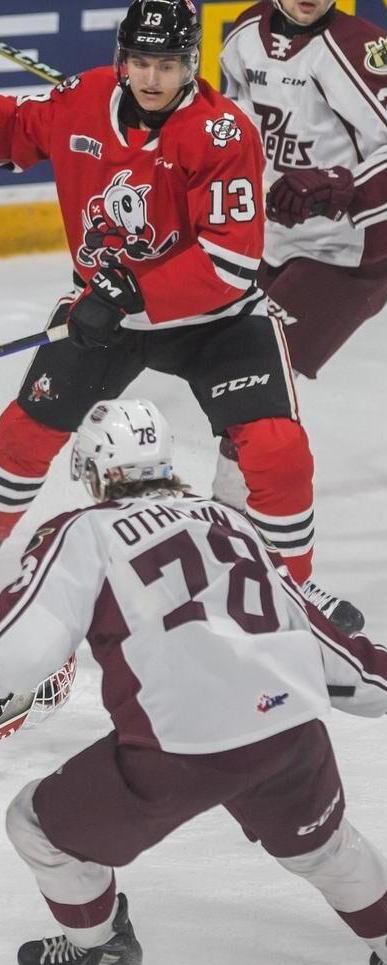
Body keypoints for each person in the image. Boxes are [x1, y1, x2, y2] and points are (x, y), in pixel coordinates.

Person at [0, 397, 387, 965]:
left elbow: (24, 644)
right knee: (327, 850)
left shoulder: (86, 532)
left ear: (90, 470)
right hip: (289, 733)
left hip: (177, 747)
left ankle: (99, 943)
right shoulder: (233, 522)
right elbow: (329, 653)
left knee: (35, 823)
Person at [0, 0, 331, 622]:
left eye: (166, 64)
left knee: (276, 447)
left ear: (190, 65)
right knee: (30, 424)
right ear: (121, 60)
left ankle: (286, 585)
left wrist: (132, 291)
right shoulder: (83, 98)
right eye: (140, 62)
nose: (152, 78)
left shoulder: (223, 132)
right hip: (109, 309)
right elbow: (14, 137)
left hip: (218, 318)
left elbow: (231, 263)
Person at [213, 0, 387, 557]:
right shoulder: (242, 32)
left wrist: (341, 187)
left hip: (353, 254)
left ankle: (237, 531)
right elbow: (228, 126)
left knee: (257, 372)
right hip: (272, 238)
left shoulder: (361, 48)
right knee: (227, 362)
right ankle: (234, 524)